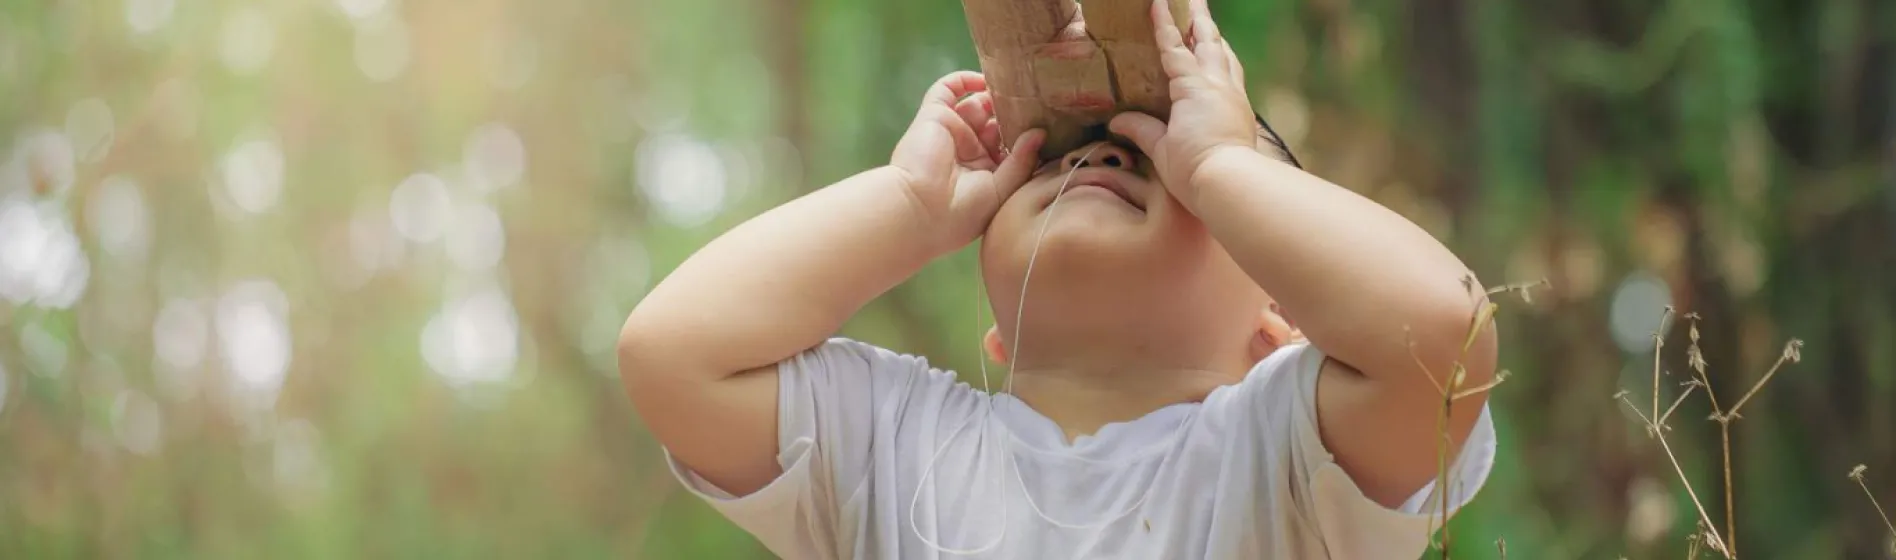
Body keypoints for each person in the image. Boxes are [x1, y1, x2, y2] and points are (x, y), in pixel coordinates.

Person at [616, 0, 1498, 557]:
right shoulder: (896, 445)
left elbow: (1444, 333)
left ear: (1281, 323)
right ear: (998, 334)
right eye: (1059, 156)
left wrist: (1221, 164)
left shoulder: (1288, 455)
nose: (1108, 148)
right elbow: (672, 354)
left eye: (1162, 149)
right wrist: (908, 207)